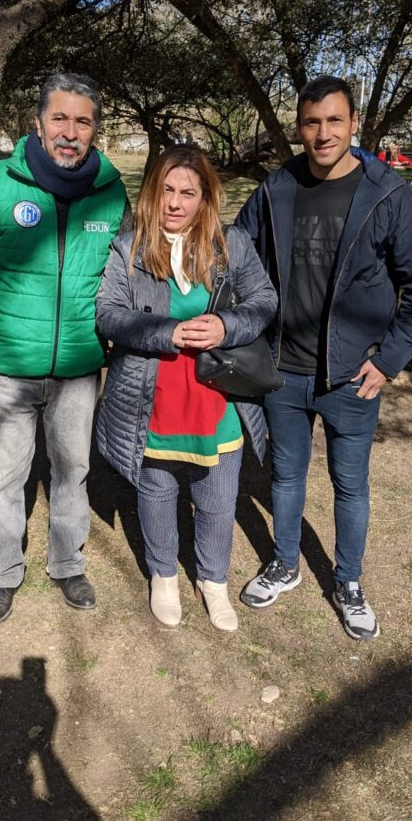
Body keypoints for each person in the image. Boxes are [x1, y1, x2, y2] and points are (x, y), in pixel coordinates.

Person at [235, 76, 412, 640]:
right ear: (299, 127)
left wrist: (389, 359)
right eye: (310, 122)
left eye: (333, 121)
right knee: (285, 475)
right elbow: (235, 254)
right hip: (283, 369)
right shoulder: (276, 187)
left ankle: (347, 580)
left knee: (351, 485)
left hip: (353, 376)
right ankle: (284, 563)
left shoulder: (386, 192)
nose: (322, 133)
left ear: (354, 124)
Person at [0, 73, 130, 626]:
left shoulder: (112, 192)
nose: (70, 133)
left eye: (83, 121)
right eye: (60, 119)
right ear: (39, 122)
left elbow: (127, 274)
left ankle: (68, 563)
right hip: (4, 367)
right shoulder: (0, 183)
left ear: (95, 130)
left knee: (72, 470)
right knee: (3, 477)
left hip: (78, 368)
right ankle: (2, 572)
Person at [96, 145, 278, 631]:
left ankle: (213, 579)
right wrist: (164, 333)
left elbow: (264, 300)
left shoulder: (229, 243)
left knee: (218, 499)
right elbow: (108, 312)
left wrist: (225, 325)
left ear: (205, 198)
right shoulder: (129, 247)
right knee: (155, 491)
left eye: (188, 193)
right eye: (167, 191)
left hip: (217, 396)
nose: (175, 204)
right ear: (152, 194)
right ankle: (164, 575)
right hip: (149, 395)